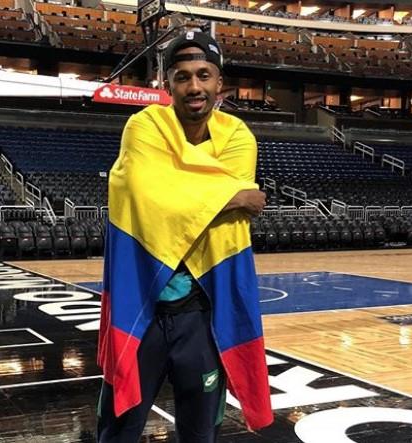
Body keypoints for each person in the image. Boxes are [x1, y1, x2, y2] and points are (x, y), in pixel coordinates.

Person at [97, 31, 274, 442]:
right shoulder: (144, 125)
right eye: (182, 77)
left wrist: (172, 189)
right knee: (117, 432)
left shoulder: (238, 136)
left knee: (200, 433)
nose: (194, 86)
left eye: (203, 75)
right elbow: (146, 197)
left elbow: (167, 201)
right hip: (141, 308)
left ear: (219, 84)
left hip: (201, 313)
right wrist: (233, 196)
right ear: (168, 85)